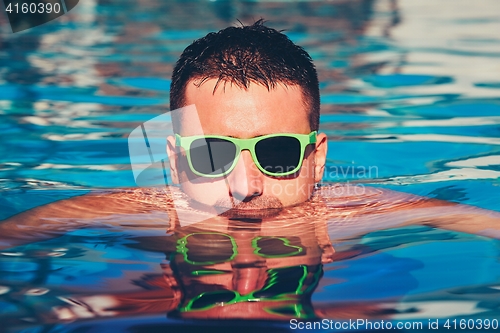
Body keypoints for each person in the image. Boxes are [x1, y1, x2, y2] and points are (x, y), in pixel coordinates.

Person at [1, 20, 499, 249]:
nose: (245, 185)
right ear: (175, 161)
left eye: (277, 152)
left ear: (317, 158)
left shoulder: (355, 213)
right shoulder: (141, 214)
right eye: (213, 154)